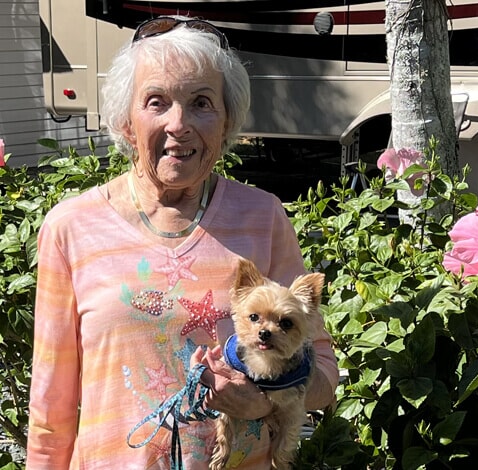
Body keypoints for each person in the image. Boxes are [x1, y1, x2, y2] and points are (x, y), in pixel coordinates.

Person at [26, 16, 339, 469]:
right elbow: (50, 407)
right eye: (156, 102)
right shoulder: (71, 227)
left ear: (227, 119)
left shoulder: (263, 217)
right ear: (126, 120)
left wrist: (264, 401)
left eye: (201, 103)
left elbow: (323, 370)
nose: (179, 124)